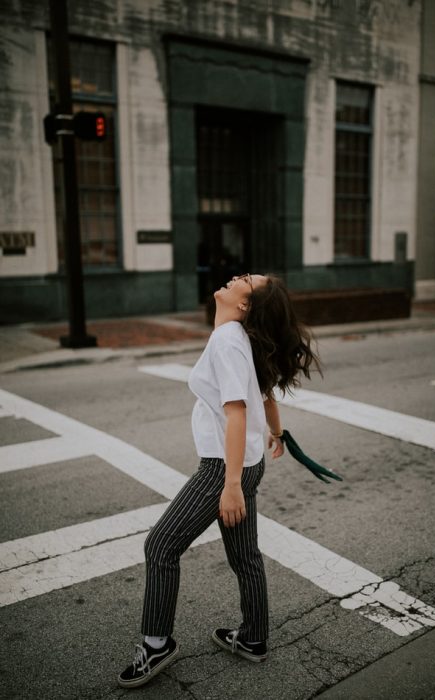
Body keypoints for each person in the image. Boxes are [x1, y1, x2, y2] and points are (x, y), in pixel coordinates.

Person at [118, 273, 320, 689]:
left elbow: (237, 412)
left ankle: (156, 644)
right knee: (245, 557)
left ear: (244, 305)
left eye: (244, 280)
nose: (233, 277)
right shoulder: (242, 338)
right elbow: (264, 391)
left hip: (222, 468)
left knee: (160, 546)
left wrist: (229, 485)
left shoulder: (228, 338)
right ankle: (253, 638)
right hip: (247, 462)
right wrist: (276, 434)